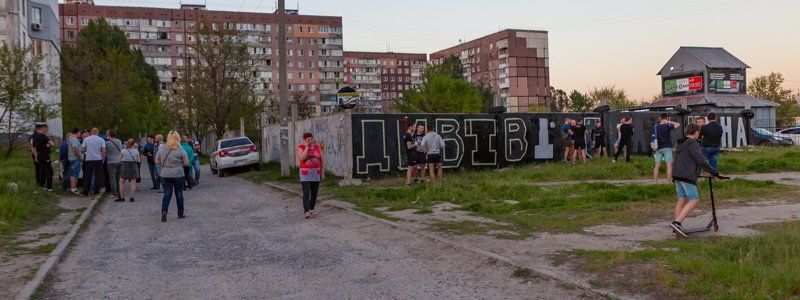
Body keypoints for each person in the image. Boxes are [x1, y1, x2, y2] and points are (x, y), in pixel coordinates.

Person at [669, 123, 723, 237]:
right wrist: (715, 173)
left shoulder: (680, 143)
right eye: (700, 134)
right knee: (694, 199)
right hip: (686, 175)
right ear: (697, 133)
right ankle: (677, 223)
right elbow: (701, 161)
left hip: (677, 174)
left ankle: (677, 228)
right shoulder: (692, 143)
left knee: (682, 198)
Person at [156, 131, 189, 222]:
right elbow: (186, 163)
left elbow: (157, 161)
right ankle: (180, 213)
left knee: (167, 193)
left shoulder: (162, 149)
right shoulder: (180, 149)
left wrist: (165, 162)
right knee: (179, 193)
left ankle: (164, 211)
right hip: (178, 174)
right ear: (177, 138)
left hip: (165, 174)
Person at [297, 132, 323, 219]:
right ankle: (306, 211)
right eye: (308, 140)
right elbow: (302, 158)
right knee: (306, 192)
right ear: (304, 140)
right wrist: (307, 147)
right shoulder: (301, 147)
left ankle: (311, 209)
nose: (310, 141)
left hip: (316, 173)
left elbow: (322, 160)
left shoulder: (317, 147)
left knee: (314, 193)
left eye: (311, 139)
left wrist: (322, 173)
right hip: (305, 174)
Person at [652, 113, 681, 184]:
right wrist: (669, 122)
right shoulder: (668, 126)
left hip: (658, 147)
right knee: (669, 165)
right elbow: (678, 124)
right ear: (667, 118)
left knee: (657, 165)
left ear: (660, 118)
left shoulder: (656, 127)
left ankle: (655, 182)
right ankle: (668, 182)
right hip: (667, 147)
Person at [81, 128, 106, 196]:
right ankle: (96, 191)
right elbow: (103, 151)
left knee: (87, 176)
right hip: (98, 159)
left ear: (91, 132)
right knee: (98, 176)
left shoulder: (86, 139)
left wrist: (87, 150)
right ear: (97, 132)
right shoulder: (101, 140)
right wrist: (103, 159)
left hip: (89, 159)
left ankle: (85, 191)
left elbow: (82, 149)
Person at [31, 123, 54, 192]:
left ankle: (41, 185)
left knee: (41, 170)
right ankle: (49, 187)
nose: (47, 130)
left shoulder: (34, 136)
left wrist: (35, 156)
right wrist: (48, 145)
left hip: (39, 155)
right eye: (46, 128)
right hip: (45, 155)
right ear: (42, 128)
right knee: (49, 171)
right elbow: (52, 144)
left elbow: (34, 147)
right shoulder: (43, 136)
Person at [105, 129, 124, 199]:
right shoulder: (119, 141)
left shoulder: (107, 143)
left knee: (112, 178)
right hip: (119, 161)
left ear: (109, 134)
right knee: (118, 178)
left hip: (111, 162)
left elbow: (105, 151)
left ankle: (114, 193)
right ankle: (119, 191)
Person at [66, 128, 83, 194]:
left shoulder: (70, 138)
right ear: (77, 132)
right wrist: (79, 157)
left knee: (74, 173)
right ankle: (73, 188)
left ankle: (74, 187)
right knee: (74, 174)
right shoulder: (74, 139)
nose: (80, 134)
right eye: (80, 132)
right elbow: (75, 149)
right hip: (75, 159)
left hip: (72, 158)